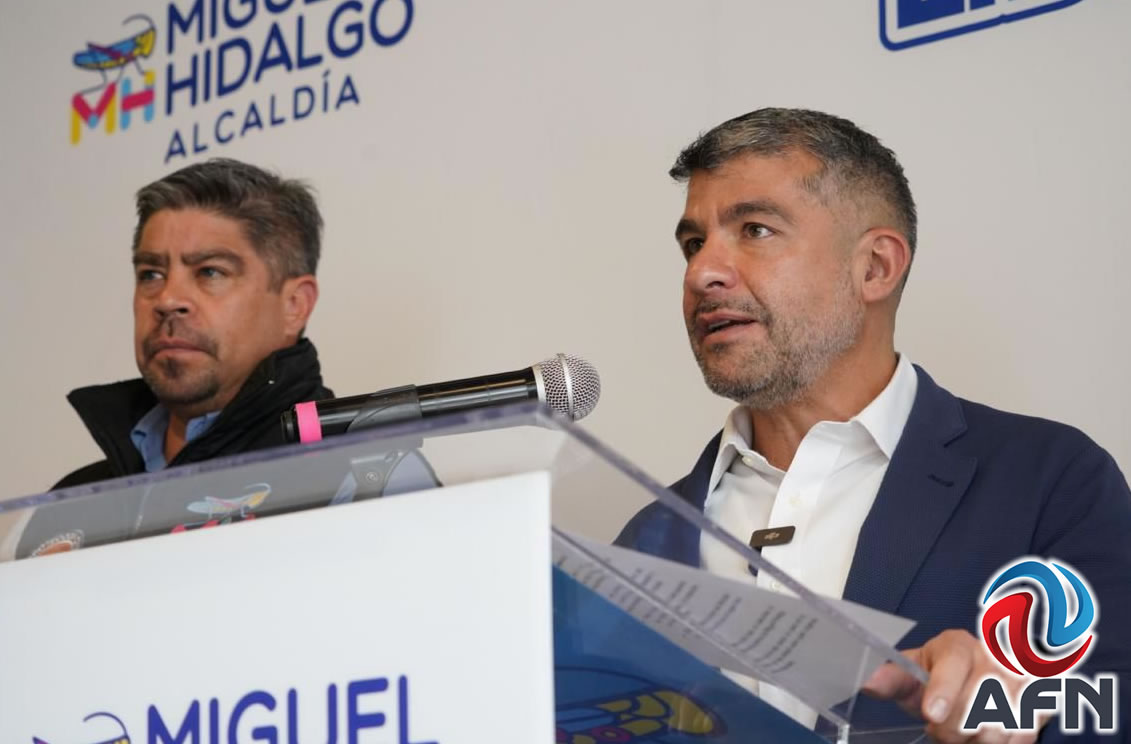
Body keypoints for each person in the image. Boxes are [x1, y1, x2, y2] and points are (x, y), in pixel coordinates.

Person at [615, 108, 1131, 742]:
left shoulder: (1048, 482)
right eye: (693, 244)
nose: (702, 273)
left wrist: (1011, 716)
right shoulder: (646, 540)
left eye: (755, 230)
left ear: (876, 267)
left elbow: (1111, 710)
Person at [13, 159, 431, 560]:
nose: (168, 299)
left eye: (209, 272)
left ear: (294, 306)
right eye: (151, 274)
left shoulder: (364, 473)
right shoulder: (67, 506)